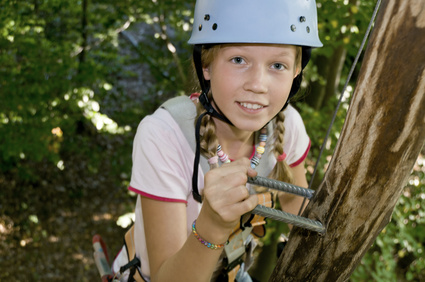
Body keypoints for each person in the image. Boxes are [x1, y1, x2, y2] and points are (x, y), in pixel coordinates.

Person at [112, 0, 322, 281]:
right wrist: (211, 225)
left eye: (277, 65)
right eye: (238, 60)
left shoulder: (287, 125)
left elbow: (298, 208)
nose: (258, 84)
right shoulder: (166, 135)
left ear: (297, 71)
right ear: (206, 64)